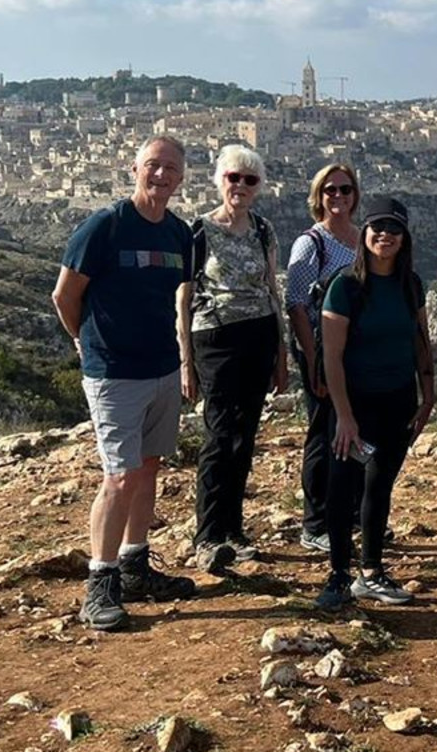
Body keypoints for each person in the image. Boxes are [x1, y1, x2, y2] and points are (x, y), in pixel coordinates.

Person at [52, 135, 200, 631]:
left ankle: (135, 565)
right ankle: (101, 581)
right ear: (134, 169)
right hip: (114, 372)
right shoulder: (105, 226)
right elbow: (64, 295)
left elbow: (179, 298)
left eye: (171, 169)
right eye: (153, 165)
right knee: (118, 476)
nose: (161, 175)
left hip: (162, 368)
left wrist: (182, 360)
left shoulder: (178, 234)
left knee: (148, 467)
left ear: (181, 179)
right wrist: (85, 342)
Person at [314, 197, 437, 610]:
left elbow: (420, 341)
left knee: (379, 484)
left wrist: (428, 392)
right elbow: (332, 357)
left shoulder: (411, 284)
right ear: (364, 233)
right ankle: (338, 574)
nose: (385, 235)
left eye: (394, 229)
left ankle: (371, 571)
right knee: (342, 485)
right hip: (354, 402)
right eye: (378, 228)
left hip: (397, 400)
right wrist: (344, 416)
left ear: (405, 238)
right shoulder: (346, 286)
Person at [178, 144, 289, 576]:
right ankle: (208, 534)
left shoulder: (263, 229)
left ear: (258, 187)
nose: (240, 186)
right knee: (219, 433)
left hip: (259, 334)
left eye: (249, 179)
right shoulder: (199, 230)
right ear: (219, 180)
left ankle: (234, 530)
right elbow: (184, 297)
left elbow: (272, 289)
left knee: (245, 434)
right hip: (215, 337)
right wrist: (186, 361)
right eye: (233, 177)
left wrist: (280, 353)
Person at [284, 162, 362, 553]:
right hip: (321, 350)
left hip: (359, 351)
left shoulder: (363, 238)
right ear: (318, 196)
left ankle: (353, 514)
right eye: (330, 189)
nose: (338, 196)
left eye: (345, 189)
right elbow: (296, 304)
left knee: (357, 430)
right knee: (323, 432)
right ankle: (315, 523)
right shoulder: (310, 243)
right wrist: (314, 361)